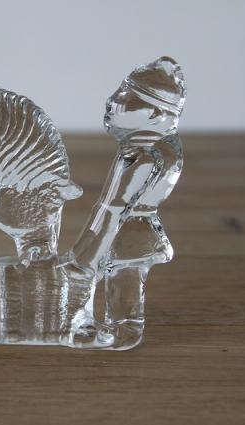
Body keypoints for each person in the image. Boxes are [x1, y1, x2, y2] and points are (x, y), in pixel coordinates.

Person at [69, 57, 186, 349]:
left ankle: (122, 331)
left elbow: (113, 207)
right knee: (119, 279)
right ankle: (114, 327)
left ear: (155, 114)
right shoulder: (159, 148)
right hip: (133, 230)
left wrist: (86, 255)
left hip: (128, 233)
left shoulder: (141, 155)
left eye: (125, 97)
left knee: (120, 279)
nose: (111, 102)